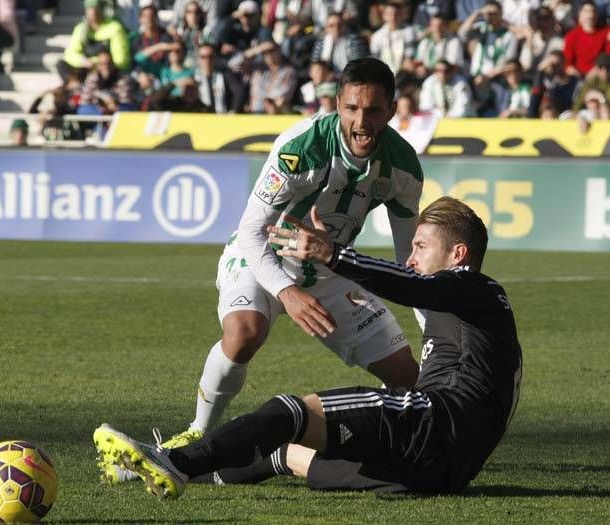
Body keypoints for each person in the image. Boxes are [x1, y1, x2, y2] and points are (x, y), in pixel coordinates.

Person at [100, 57, 423, 485]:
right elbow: (251, 231)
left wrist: (436, 333)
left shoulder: (402, 166)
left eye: (374, 110)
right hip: (264, 255)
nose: (361, 122)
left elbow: (411, 264)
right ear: (338, 104)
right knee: (245, 331)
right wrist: (287, 291)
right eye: (351, 108)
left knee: (408, 378)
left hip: (329, 268)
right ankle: (197, 431)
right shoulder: (300, 146)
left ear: (393, 108)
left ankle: (389, 448)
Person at [94, 195, 524, 499]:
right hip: (446, 471)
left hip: (433, 425)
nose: (410, 257)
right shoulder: (475, 313)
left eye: (420, 246)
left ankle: (175, 464)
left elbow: (406, 284)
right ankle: (163, 466)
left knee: (290, 411)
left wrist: (332, 255)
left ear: (458, 254)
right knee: (286, 453)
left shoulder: (476, 288)